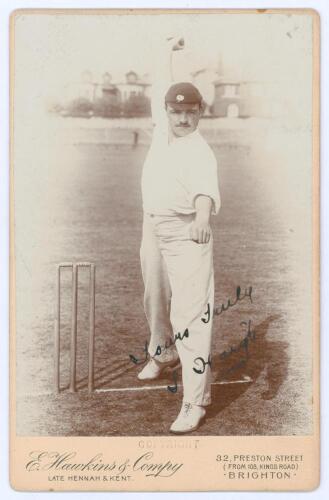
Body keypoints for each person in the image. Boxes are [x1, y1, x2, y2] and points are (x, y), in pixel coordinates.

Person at [138, 37, 221, 433]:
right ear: (167, 112)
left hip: (188, 231)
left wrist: (203, 217)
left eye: (190, 112)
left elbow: (205, 191)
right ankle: (162, 352)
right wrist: (167, 52)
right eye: (176, 112)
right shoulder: (163, 131)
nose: (183, 119)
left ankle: (195, 401)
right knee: (155, 295)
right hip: (153, 225)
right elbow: (160, 87)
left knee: (190, 315)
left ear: (200, 112)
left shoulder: (201, 150)